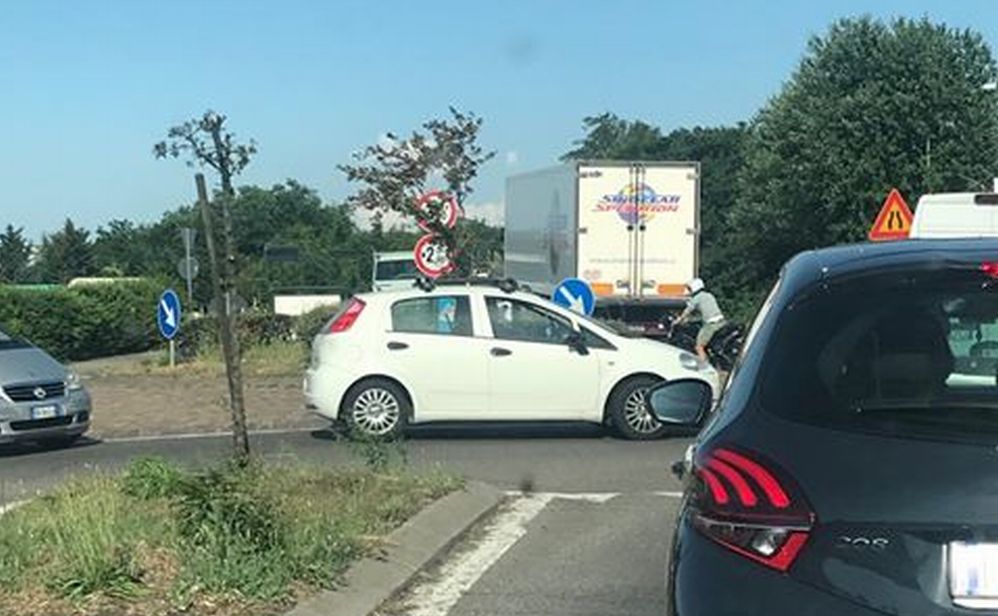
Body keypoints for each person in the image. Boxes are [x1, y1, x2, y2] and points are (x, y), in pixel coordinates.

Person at [675, 278, 726, 363]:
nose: (689, 291)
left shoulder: (697, 298)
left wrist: (679, 320)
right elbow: (706, 312)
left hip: (711, 325)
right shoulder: (709, 295)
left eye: (690, 288)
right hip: (721, 322)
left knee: (699, 346)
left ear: (695, 287)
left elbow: (688, 310)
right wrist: (691, 319)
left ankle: (704, 366)